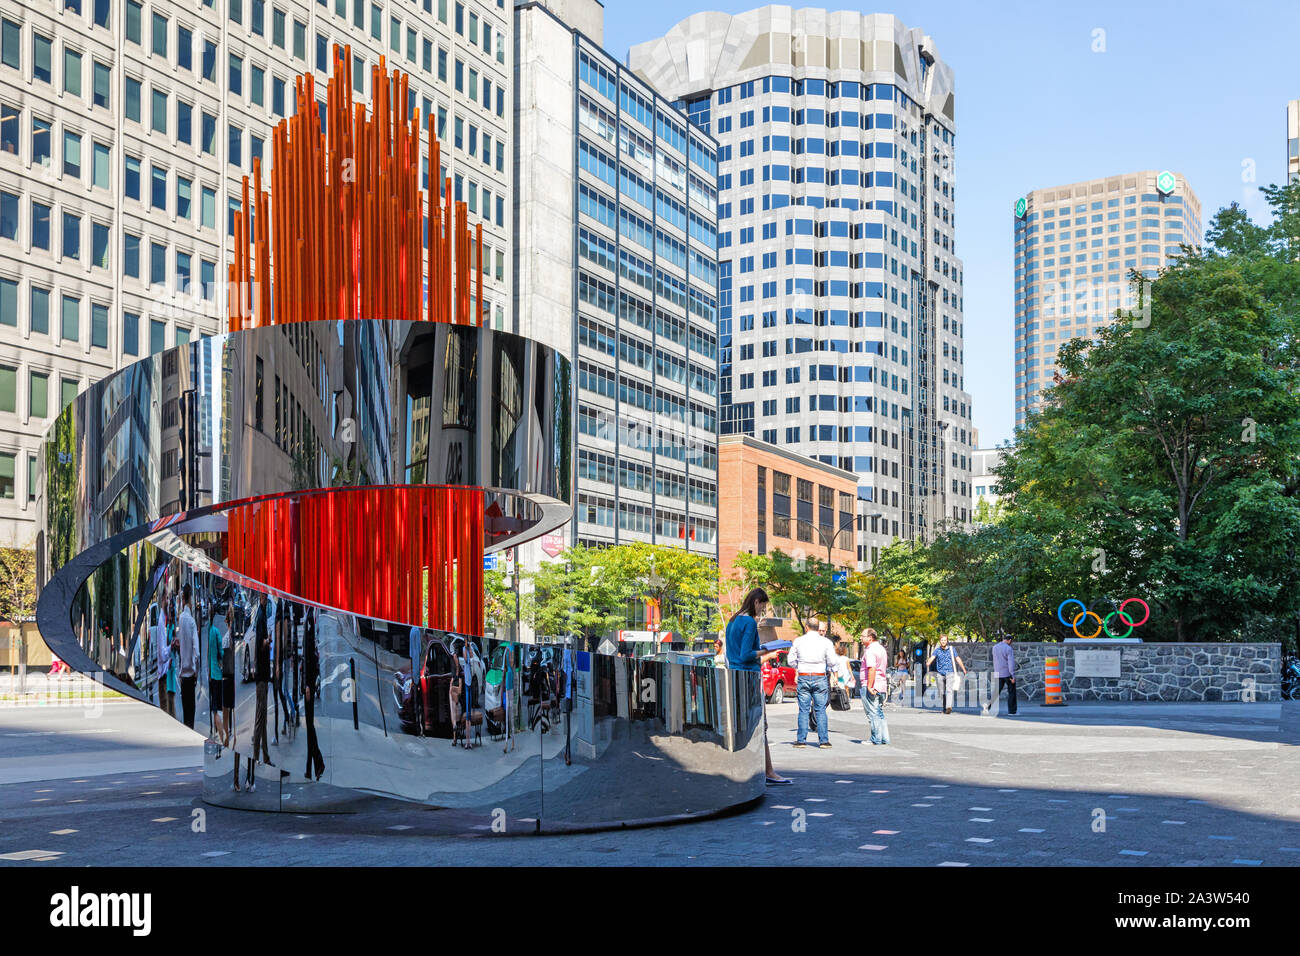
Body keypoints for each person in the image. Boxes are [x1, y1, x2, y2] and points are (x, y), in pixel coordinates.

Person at [724, 587, 790, 785]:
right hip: (749, 677)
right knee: (761, 725)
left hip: (734, 675)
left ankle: (748, 768)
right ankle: (769, 771)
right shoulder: (750, 622)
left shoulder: (733, 620)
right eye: (763, 606)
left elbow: (735, 653)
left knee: (740, 725)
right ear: (756, 602)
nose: (763, 611)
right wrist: (767, 652)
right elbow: (746, 655)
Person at [789, 617, 839, 748]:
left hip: (804, 676)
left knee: (803, 710)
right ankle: (823, 741)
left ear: (806, 627)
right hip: (820, 676)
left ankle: (801, 740)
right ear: (818, 628)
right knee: (821, 710)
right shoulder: (826, 642)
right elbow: (833, 662)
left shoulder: (798, 641)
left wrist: (799, 665)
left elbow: (791, 661)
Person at [248, 591, 272, 792]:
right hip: (262, 676)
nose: (266, 601)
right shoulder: (261, 618)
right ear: (262, 599)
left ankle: (265, 755)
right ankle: (257, 756)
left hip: (263, 675)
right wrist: (269, 640)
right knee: (259, 717)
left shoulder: (261, 616)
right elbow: (260, 645)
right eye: (266, 598)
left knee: (263, 717)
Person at [303, 608, 325, 780]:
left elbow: (309, 655)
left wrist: (307, 684)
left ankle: (318, 762)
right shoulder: (309, 615)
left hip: (308, 682)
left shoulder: (309, 617)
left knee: (309, 726)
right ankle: (310, 768)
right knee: (309, 726)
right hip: (309, 680)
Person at [859, 628, 891, 745]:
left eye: (863, 636)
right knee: (879, 712)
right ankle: (884, 738)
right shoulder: (881, 649)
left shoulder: (870, 651)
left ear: (870, 638)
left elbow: (872, 668)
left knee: (872, 713)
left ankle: (875, 738)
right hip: (881, 684)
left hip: (872, 684)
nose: (861, 638)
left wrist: (869, 686)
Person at [926, 633, 968, 714]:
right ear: (940, 641)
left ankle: (949, 707)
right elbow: (932, 657)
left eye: (945, 640)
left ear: (947, 641)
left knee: (949, 690)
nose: (943, 642)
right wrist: (928, 662)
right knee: (941, 692)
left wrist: (963, 669)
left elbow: (957, 659)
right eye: (942, 640)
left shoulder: (952, 649)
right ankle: (944, 707)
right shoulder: (937, 650)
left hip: (950, 673)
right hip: (940, 674)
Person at [178, 585, 200, 729]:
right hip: (190, 675)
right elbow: (196, 652)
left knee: (186, 714)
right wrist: (196, 672)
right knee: (191, 714)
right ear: (190, 599)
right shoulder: (191, 622)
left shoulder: (180, 619)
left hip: (182, 676)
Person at [207, 606, 227, 746]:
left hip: (212, 675)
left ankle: (220, 735)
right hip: (218, 675)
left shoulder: (209, 632)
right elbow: (221, 653)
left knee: (215, 708)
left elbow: (209, 654)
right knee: (217, 710)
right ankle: (222, 738)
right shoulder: (216, 632)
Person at [993, 633, 1018, 715]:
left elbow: (995, 661)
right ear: (1009, 640)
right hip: (1007, 674)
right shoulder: (1008, 648)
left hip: (997, 673)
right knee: (1011, 692)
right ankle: (1012, 711)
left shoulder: (995, 647)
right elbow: (1010, 663)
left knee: (996, 692)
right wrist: (1013, 675)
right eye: (1011, 641)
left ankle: (989, 708)